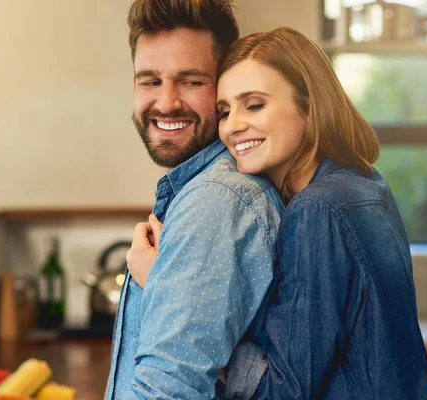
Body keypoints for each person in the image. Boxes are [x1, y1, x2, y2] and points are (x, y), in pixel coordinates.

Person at [128, 27, 427, 399]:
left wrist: (169, 288)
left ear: (309, 106)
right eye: (225, 111)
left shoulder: (317, 210)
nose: (233, 126)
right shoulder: (366, 184)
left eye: (254, 104)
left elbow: (281, 390)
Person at [105, 1, 284, 399]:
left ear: (225, 86)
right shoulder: (209, 189)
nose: (166, 103)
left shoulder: (216, 200)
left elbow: (166, 391)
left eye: (191, 81)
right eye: (149, 81)